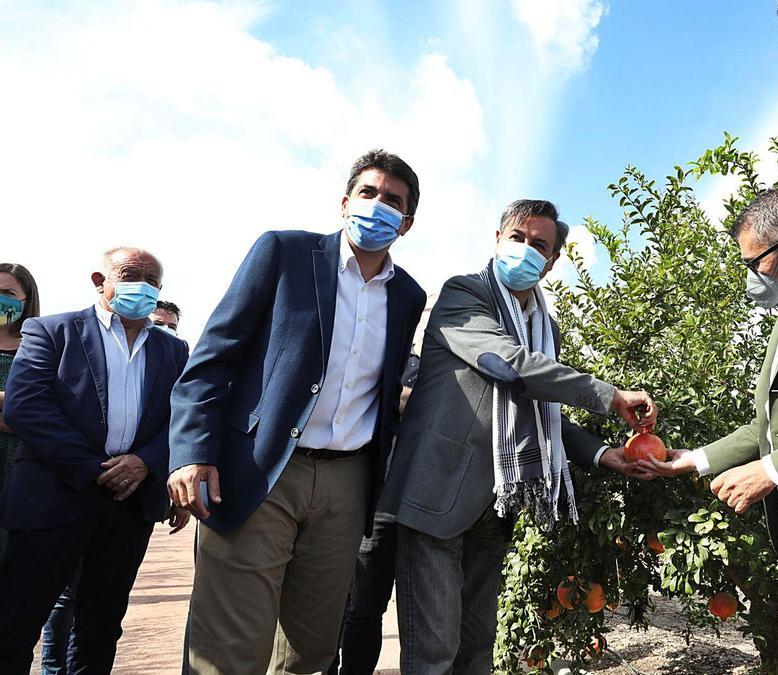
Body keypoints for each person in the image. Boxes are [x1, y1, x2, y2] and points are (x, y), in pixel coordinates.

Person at [169, 149, 427, 674]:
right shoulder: (284, 253)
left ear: (407, 223)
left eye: (393, 202)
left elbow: (386, 385)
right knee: (229, 648)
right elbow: (214, 358)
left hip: (347, 486)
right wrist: (192, 452)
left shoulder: (407, 295)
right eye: (368, 193)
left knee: (310, 651)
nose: (377, 207)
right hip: (259, 469)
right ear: (344, 201)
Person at [375, 199, 658, 674]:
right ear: (498, 239)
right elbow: (508, 365)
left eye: (539, 245)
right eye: (518, 238)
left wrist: (602, 453)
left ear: (552, 260)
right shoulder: (464, 294)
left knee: (477, 647)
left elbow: (543, 411)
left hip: (496, 505)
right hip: (438, 491)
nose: (526, 250)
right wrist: (608, 395)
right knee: (434, 651)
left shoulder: (545, 328)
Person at [644, 188, 778, 673]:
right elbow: (770, 426)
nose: (750, 277)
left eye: (752, 263)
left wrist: (771, 472)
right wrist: (693, 459)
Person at [0, 247, 189, 673]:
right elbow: (26, 407)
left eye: (151, 279)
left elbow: (183, 416)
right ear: (99, 281)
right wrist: (97, 470)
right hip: (53, 500)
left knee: (100, 630)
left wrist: (144, 462)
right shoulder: (51, 331)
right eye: (128, 273)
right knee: (16, 623)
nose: (141, 284)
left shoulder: (173, 351)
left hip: (128, 508)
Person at [328, 351, 419, 675]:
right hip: (371, 502)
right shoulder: (380, 356)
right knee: (350, 604)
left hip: (413, 510)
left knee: (376, 610)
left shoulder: (430, 365)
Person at [0, 262, 40, 568]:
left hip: (22, 472)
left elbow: (41, 414)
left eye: (7, 293)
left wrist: (16, 412)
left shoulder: (40, 349)